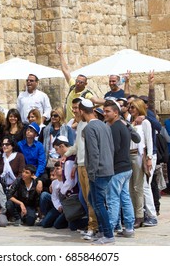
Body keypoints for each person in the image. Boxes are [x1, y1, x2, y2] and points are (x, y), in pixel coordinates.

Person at [61, 97, 98, 240]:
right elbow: (77, 146)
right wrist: (66, 154)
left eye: (77, 108)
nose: (75, 111)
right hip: (81, 165)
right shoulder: (80, 125)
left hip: (88, 166)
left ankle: (93, 227)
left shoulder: (90, 125)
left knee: (90, 198)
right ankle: (91, 224)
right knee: (85, 198)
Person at [79, 98, 115, 245]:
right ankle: (101, 231)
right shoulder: (104, 125)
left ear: (82, 111)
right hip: (107, 168)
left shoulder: (89, 129)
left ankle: (108, 234)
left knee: (98, 203)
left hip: (98, 170)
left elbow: (93, 153)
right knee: (93, 200)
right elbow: (111, 147)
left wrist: (92, 172)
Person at [103, 100, 135, 238]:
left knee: (113, 199)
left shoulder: (115, 128)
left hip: (118, 169)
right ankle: (129, 228)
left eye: (107, 111)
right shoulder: (122, 126)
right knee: (125, 198)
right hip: (126, 167)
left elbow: (113, 149)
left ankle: (109, 230)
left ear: (116, 113)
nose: (104, 114)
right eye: (104, 111)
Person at [128, 98, 156, 227]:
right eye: (130, 107)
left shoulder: (145, 122)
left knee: (140, 186)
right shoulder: (130, 121)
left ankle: (145, 215)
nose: (131, 109)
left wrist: (149, 157)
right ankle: (136, 213)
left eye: (133, 107)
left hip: (139, 155)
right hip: (129, 155)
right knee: (131, 188)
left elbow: (148, 140)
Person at [57, 43, 93, 122]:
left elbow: (95, 101)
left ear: (85, 84)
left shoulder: (86, 94)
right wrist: (60, 54)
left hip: (78, 123)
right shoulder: (72, 86)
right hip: (68, 122)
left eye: (81, 82)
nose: (78, 83)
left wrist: (108, 101)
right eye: (77, 81)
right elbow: (65, 70)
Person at [39, 107, 74, 176]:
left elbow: (70, 145)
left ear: (60, 116)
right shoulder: (45, 130)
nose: (53, 117)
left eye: (55, 115)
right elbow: (40, 145)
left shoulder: (67, 129)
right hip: (48, 161)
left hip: (61, 160)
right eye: (51, 115)